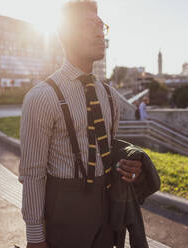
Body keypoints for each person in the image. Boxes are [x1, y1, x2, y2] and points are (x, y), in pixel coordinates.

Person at [19, 1, 143, 248]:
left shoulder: (109, 95)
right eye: (90, 26)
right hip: (64, 211)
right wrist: (35, 238)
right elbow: (32, 173)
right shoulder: (42, 97)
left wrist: (124, 165)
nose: (100, 33)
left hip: (106, 210)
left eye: (101, 26)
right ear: (66, 34)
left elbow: (104, 150)